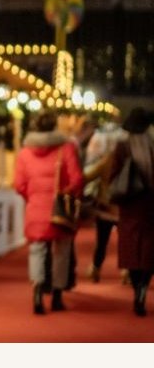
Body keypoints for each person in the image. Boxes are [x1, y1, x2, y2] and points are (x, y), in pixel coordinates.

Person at [14, 109, 84, 314]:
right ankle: (57, 295)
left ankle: (37, 292)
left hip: (35, 208)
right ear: (54, 127)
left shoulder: (25, 152)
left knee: (37, 251)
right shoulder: (66, 148)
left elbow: (19, 184)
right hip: (59, 209)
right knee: (61, 251)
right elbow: (77, 178)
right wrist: (68, 194)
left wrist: (32, 197)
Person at [109, 107, 154, 316]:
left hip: (128, 205)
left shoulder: (122, 147)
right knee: (148, 251)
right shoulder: (153, 146)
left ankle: (137, 289)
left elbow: (112, 176)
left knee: (131, 251)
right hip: (150, 205)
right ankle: (145, 286)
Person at [83, 120, 124, 283]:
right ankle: (126, 271)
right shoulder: (129, 159)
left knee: (102, 241)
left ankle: (96, 268)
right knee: (125, 241)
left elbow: (89, 175)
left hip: (105, 206)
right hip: (123, 206)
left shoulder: (106, 160)